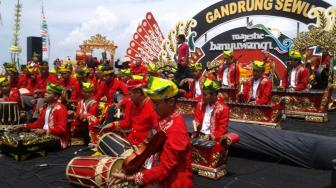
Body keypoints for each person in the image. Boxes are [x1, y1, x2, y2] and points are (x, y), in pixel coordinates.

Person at [111, 76, 192, 187]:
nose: (153, 108)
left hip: (174, 183)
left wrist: (132, 178)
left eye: (156, 103)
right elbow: (148, 147)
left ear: (171, 101)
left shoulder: (176, 129)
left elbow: (164, 168)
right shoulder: (164, 119)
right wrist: (130, 168)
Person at [102, 77, 158, 145]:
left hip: (144, 147)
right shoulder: (133, 104)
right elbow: (128, 123)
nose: (129, 97)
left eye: (130, 94)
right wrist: (113, 124)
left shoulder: (153, 107)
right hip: (131, 141)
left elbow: (157, 132)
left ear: (138, 93)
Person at [13, 82, 69, 149]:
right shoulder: (44, 107)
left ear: (56, 97)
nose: (45, 94)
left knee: (27, 144)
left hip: (57, 140)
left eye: (48, 93)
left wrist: (45, 131)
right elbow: (38, 124)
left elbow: (62, 129)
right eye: (45, 92)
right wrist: (23, 125)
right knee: (19, 139)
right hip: (45, 135)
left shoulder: (61, 108)